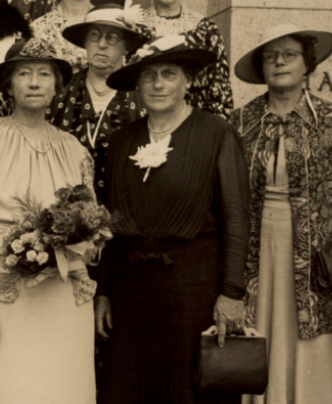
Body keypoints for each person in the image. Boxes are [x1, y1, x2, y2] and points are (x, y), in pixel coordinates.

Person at [94, 35, 251, 403]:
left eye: (169, 74)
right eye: (149, 76)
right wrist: (103, 292)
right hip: (132, 290)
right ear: (137, 86)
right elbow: (109, 226)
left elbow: (237, 219)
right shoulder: (122, 140)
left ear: (188, 81)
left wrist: (231, 293)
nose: (158, 84)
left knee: (187, 388)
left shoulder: (217, 132)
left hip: (192, 287)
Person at [232, 24, 332, 404]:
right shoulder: (241, 121)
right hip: (257, 250)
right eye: (270, 56)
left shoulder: (330, 118)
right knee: (260, 330)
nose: (279, 62)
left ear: (306, 64)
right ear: (261, 67)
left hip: (317, 257)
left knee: (312, 338)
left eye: (289, 55)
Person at [0, 41, 101, 404]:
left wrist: (78, 241)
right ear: (8, 85)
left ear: (57, 86)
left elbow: (95, 234)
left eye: (44, 74)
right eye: (23, 73)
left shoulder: (76, 149)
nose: (34, 83)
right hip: (2, 296)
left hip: (62, 297)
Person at [50, 1, 152, 203]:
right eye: (94, 35)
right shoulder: (61, 93)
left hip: (127, 206)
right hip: (67, 210)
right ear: (85, 42)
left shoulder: (142, 96)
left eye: (112, 37)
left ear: (127, 46)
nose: (102, 44)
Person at [127, 0, 233, 119]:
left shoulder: (205, 29)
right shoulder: (134, 27)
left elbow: (219, 93)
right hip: (140, 126)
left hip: (193, 129)